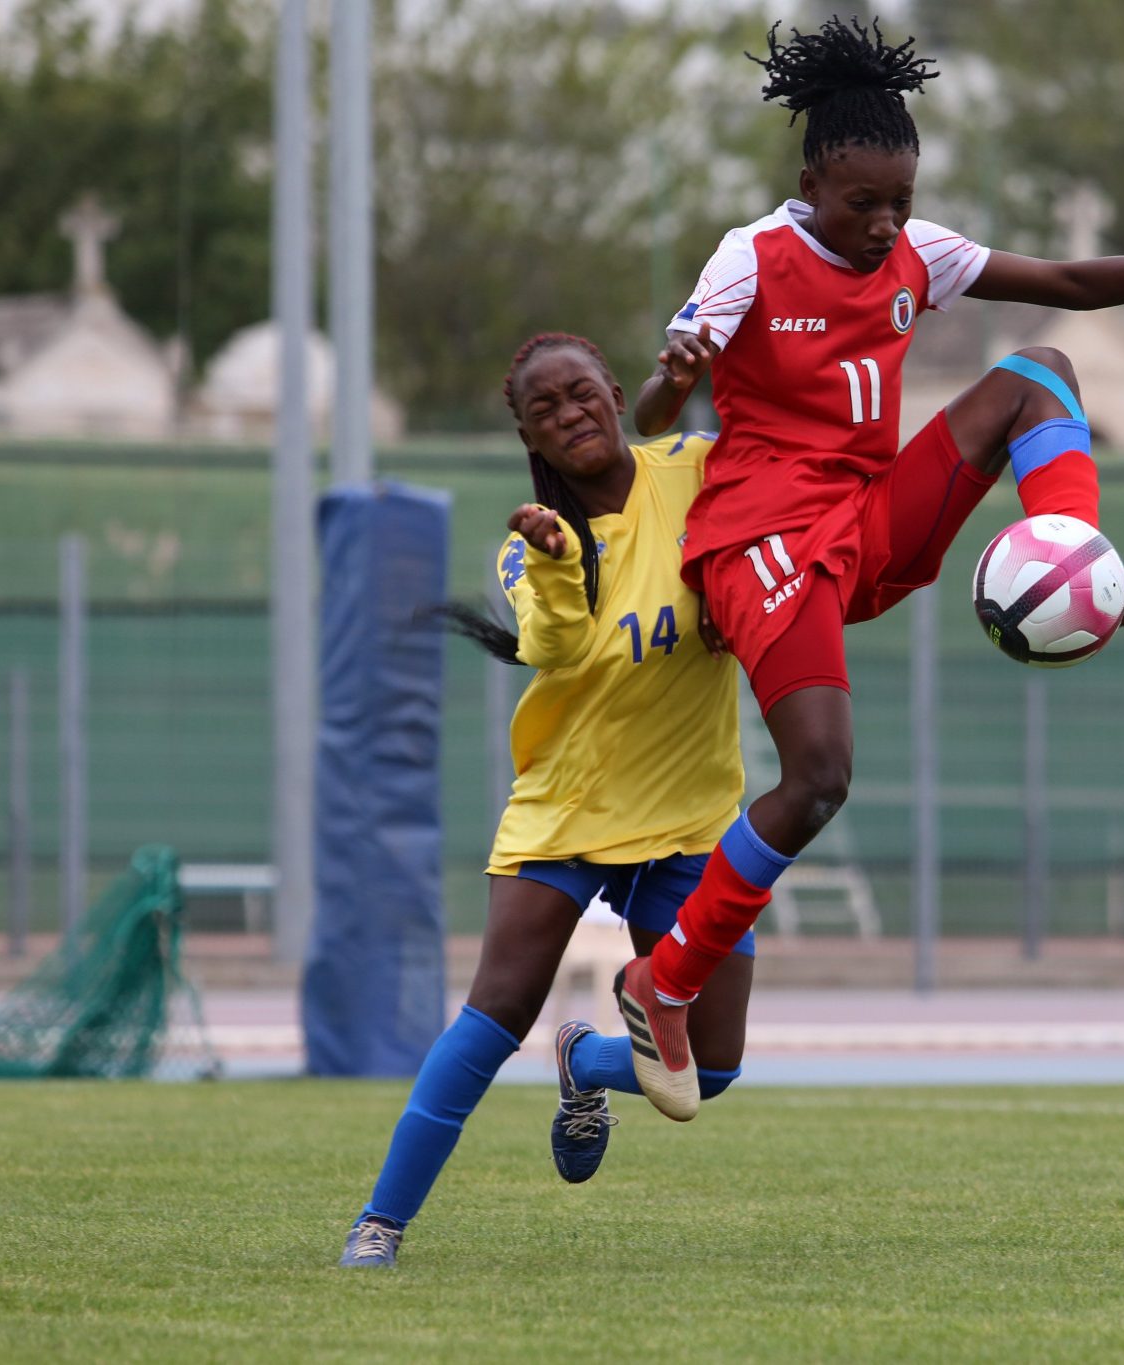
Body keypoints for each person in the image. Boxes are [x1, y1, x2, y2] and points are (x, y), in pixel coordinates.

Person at [611, 15, 1124, 1120]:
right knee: (819, 777)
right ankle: (660, 981)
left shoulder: (918, 256)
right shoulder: (749, 258)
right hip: (762, 536)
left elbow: (1065, 278)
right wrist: (672, 376)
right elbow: (649, 413)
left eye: (899, 205)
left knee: (1038, 372)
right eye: (859, 204)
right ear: (809, 180)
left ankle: (1075, 561)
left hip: (864, 523)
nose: (882, 228)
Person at [340, 333, 755, 1269]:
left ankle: (586, 1062)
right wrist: (561, 560)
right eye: (545, 408)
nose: (570, 412)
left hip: (690, 817)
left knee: (715, 1068)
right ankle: (381, 1222)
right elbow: (555, 649)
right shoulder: (527, 547)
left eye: (581, 393)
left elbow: (771, 495)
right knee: (492, 1015)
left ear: (615, 392)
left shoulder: (692, 471)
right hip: (568, 812)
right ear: (527, 432)